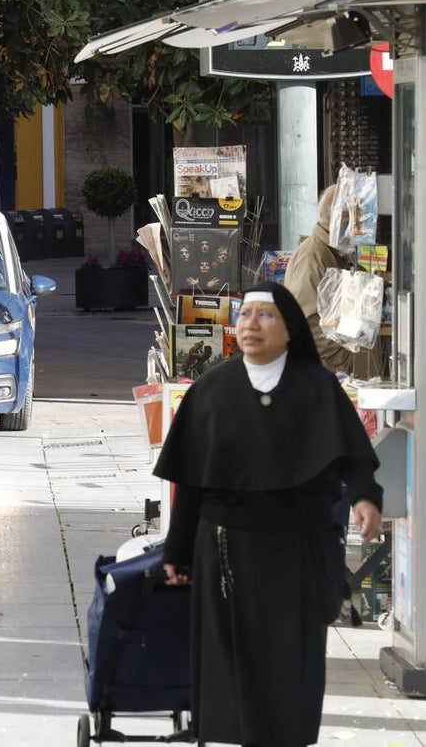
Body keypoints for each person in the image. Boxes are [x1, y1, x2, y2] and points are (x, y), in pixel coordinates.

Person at [155, 281, 383, 747]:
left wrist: (365, 498)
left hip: (296, 549)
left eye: (265, 316)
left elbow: (353, 456)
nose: (251, 325)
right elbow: (191, 479)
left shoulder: (316, 386)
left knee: (291, 661)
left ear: (289, 328)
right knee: (231, 665)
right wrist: (176, 552)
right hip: (224, 551)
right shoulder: (212, 389)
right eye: (244, 316)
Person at [284, 184, 384, 379]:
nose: (361, 227)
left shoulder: (336, 252)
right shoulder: (314, 257)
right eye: (358, 219)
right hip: (335, 374)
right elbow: (309, 324)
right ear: (342, 218)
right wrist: (345, 365)